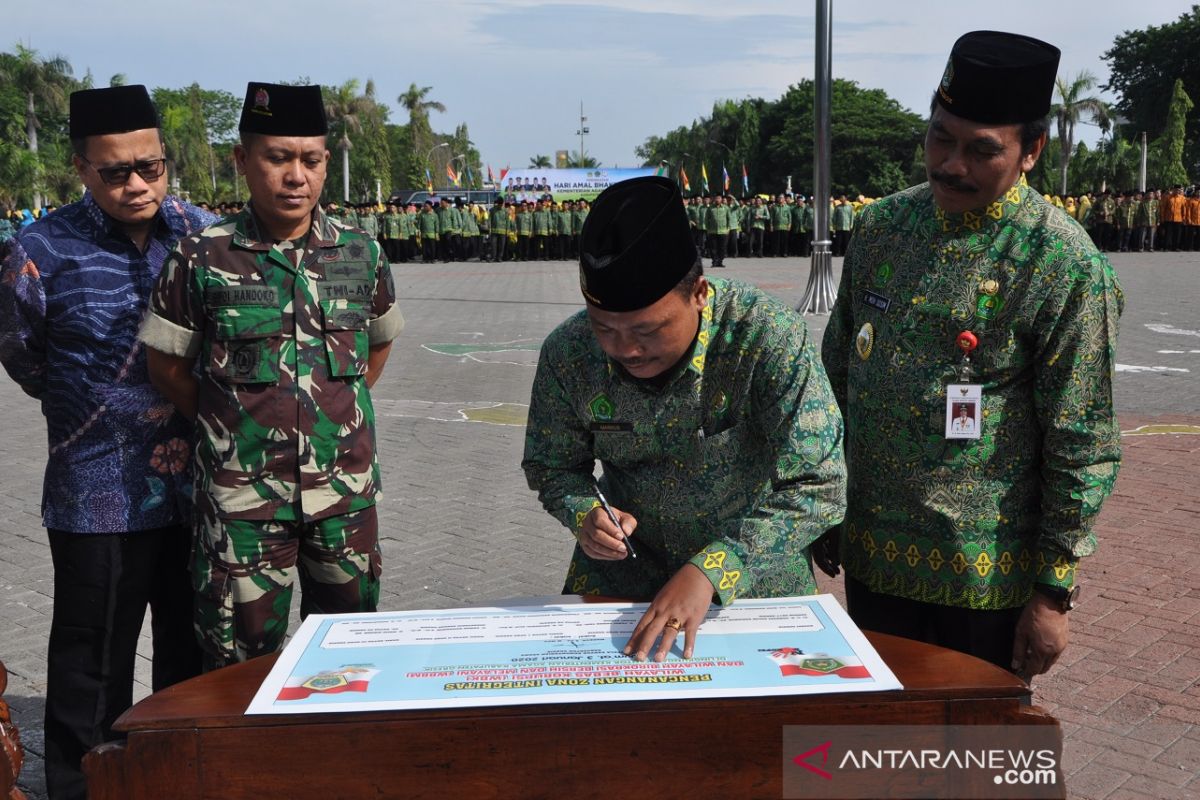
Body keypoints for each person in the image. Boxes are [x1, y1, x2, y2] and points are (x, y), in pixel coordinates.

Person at [821, 30, 1123, 678]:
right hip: (873, 561)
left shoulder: (1061, 264)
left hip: (985, 581)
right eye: (939, 137)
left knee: (975, 761)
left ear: (1031, 151)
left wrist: (1053, 591)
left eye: (980, 150)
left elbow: (1081, 438)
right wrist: (823, 506)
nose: (950, 165)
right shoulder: (880, 230)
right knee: (880, 752)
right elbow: (836, 376)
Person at [523, 176, 846, 663]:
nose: (624, 349)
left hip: (753, 583)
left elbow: (819, 484)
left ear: (699, 292)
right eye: (604, 328)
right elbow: (551, 465)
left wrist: (712, 568)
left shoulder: (765, 336)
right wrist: (583, 513)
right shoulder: (569, 353)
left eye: (647, 330)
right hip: (621, 585)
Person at [138, 82, 404, 668]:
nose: (295, 176)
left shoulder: (362, 253)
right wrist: (235, 427)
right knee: (239, 664)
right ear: (243, 161)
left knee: (348, 654)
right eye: (277, 158)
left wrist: (326, 421)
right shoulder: (202, 256)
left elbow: (373, 354)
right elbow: (169, 367)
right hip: (243, 506)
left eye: (310, 160)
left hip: (344, 500)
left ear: (325, 164)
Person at [0, 84, 213, 800]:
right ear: (81, 170)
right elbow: (23, 352)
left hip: (200, 488)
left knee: (193, 654)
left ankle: (175, 782)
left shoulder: (205, 236)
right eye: (115, 171)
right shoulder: (40, 247)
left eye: (150, 167)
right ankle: (83, 787)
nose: (136, 185)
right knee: (92, 662)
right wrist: (96, 406)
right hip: (97, 490)